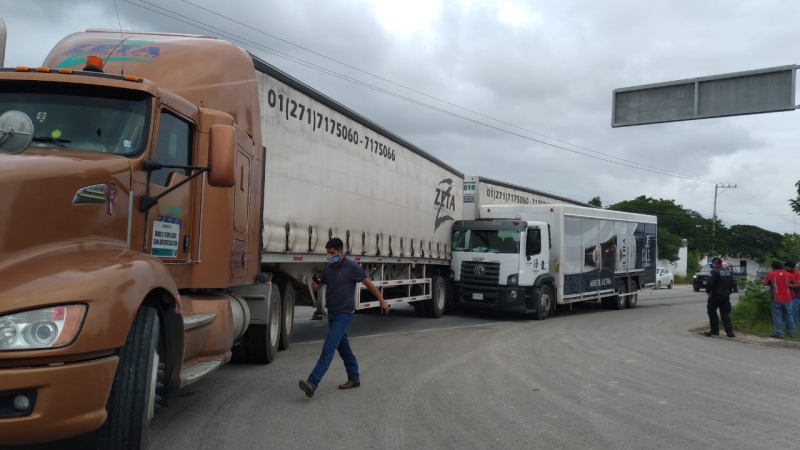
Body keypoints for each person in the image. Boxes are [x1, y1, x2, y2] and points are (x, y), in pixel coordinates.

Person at [298, 238, 390, 398]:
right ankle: (354, 378)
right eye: (328, 253)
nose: (329, 256)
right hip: (332, 313)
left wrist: (381, 300)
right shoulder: (328, 268)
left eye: (332, 253)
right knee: (343, 347)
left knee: (328, 347)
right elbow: (321, 282)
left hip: (344, 314)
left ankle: (312, 383)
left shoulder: (352, 267)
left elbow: (369, 284)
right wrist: (316, 285)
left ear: (341, 252)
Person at [763, 261, 796, 339]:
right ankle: (792, 332)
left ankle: (779, 333)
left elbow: (765, 284)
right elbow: (794, 283)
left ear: (773, 268)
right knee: (789, 315)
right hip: (788, 298)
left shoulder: (771, 274)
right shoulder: (789, 275)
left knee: (777, 316)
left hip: (776, 298)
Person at [704, 257, 735, 338]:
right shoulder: (728, 271)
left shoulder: (714, 272)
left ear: (715, 264)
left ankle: (714, 330)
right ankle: (729, 332)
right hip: (725, 295)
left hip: (715, 295)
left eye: (712, 263)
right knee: (725, 313)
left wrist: (708, 292)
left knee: (712, 312)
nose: (712, 265)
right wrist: (728, 292)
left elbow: (709, 283)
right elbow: (733, 284)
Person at [786, 261, 800, 329]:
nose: (786, 268)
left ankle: (794, 328)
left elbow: (798, 285)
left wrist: (788, 285)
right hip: (788, 295)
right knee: (788, 312)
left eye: (787, 267)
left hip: (796, 296)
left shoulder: (797, 274)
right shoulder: (787, 273)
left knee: (793, 312)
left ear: (792, 267)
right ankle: (790, 328)